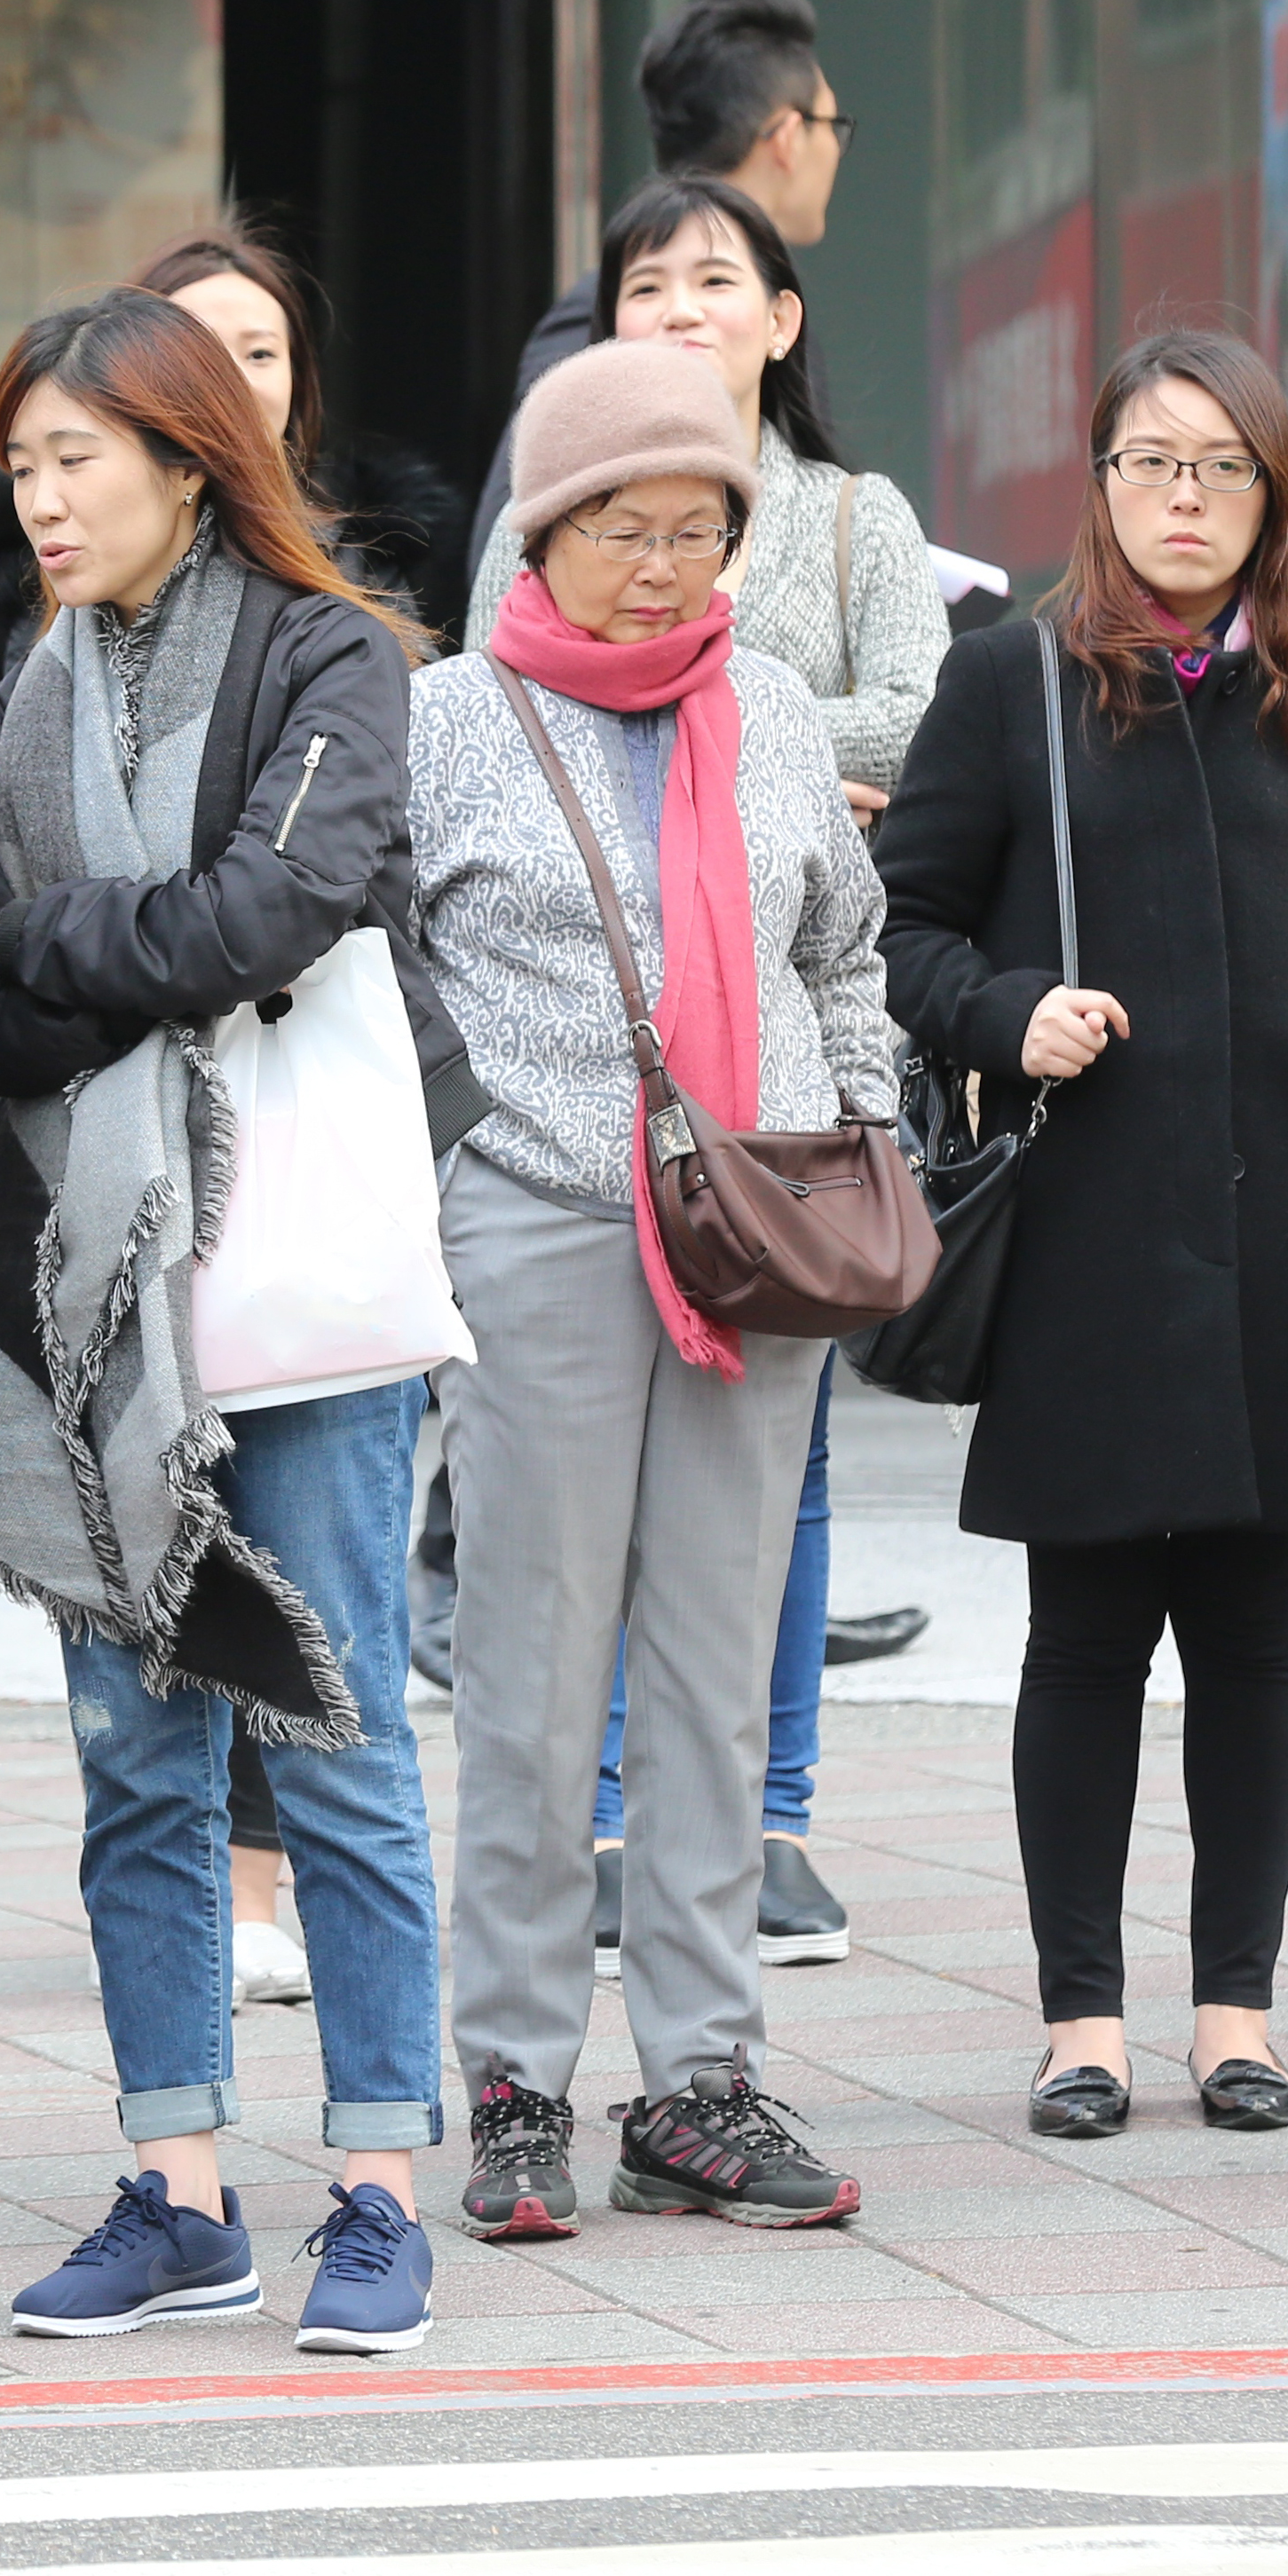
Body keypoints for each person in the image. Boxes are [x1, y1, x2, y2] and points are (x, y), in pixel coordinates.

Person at [873, 331, 1288, 2145]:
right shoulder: (1011, 681)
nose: (1185, 497)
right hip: (1088, 1237)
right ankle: (1082, 2023)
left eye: (1222, 466)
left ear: (1270, 491)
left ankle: (1234, 2016)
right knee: (1081, 1638)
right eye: (1150, 461)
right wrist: (1008, 1016)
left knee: (1253, 1635)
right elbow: (905, 929)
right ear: (1102, 481)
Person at [0, 290, 476, 2360]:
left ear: (187, 459)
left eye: (75, 457)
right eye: (20, 464)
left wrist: (75, 949)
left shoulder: (330, 653)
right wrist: (122, 958)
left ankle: (379, 2190)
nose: (41, 497)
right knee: (134, 1763)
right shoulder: (27, 687)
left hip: (299, 1277)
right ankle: (178, 2188)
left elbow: (282, 905)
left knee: (333, 1734)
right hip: (100, 1296)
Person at [415, 339, 886, 2245]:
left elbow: (843, 942)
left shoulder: (763, 708)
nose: (664, 566)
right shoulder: (447, 718)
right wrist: (460, 1166)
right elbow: (382, 979)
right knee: (532, 1679)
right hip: (540, 1223)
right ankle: (517, 2082)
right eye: (624, 527)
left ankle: (699, 2079)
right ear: (543, 531)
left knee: (711, 1663)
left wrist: (858, 1123)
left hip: (750, 1225)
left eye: (701, 529)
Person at [467, 168, 953, 1976]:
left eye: (713, 281)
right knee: (563, 1563)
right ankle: (577, 1902)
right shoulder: (531, 545)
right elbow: (487, 709)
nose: (681, 310)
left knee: (759, 1527)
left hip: (768, 1135)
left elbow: (917, 735)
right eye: (646, 285)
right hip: (564, 1160)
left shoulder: (835, 544)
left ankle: (761, 1859)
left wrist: (727, 710)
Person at [0, 224, 462, 681]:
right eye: (197, 357)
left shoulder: (370, 558)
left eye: (260, 354)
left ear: (298, 381)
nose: (230, 384)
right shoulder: (58, 573)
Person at [471, 0, 850, 550]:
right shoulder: (608, 315)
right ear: (790, 138)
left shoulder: (857, 511)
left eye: (716, 281)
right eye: (833, 126)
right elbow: (516, 538)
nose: (681, 312)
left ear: (781, 321)